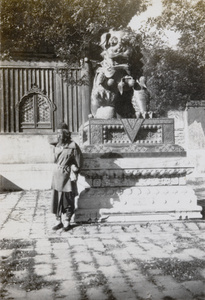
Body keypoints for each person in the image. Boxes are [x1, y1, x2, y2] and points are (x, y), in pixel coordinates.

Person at [51, 123, 83, 231]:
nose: (59, 136)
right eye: (57, 134)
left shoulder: (73, 146)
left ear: (66, 134)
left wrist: (75, 168)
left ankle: (67, 221)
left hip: (67, 176)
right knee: (56, 199)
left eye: (61, 134)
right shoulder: (56, 146)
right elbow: (54, 160)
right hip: (57, 175)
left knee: (68, 199)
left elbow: (79, 161)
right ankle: (58, 220)